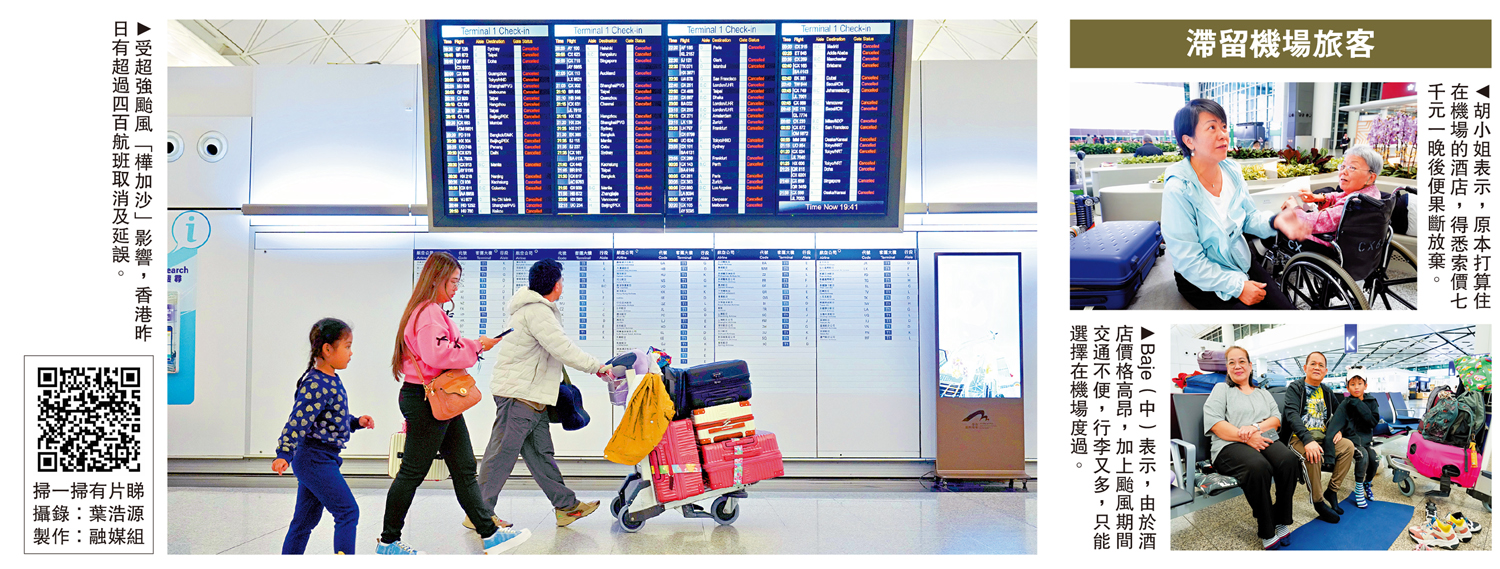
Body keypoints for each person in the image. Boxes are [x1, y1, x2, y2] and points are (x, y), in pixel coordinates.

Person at [379, 252, 530, 555]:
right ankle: (388, 542)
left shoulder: (426, 311)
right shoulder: (428, 313)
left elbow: (442, 348)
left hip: (438, 399)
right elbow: (438, 355)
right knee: (412, 471)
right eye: (453, 282)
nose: (456, 288)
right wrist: (476, 347)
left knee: (464, 468)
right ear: (436, 280)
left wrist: (475, 345)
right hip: (429, 400)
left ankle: (489, 533)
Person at [477, 259, 613, 529]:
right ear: (555, 284)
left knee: (541, 454)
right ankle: (478, 513)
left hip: (533, 398)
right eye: (561, 280)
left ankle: (566, 507)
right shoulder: (537, 311)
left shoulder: (534, 310)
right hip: (518, 396)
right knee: (501, 454)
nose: (562, 285)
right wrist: (596, 366)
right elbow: (561, 347)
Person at [1161, 98, 1311, 310]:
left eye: (1223, 126)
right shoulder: (1178, 189)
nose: (1223, 134)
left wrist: (1275, 221)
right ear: (1189, 141)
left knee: (1286, 312)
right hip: (1202, 278)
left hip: (1241, 261)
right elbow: (1189, 260)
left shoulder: (1231, 171)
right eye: (1212, 127)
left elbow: (1248, 217)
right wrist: (1238, 287)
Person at [274, 318, 372, 554]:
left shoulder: (330, 379)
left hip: (320, 458)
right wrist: (284, 453)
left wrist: (355, 422)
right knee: (348, 512)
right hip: (314, 459)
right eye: (347, 346)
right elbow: (298, 421)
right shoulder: (316, 383)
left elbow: (330, 417)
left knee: (304, 522)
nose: (351, 353)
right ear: (328, 349)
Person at [1201, 346, 1301, 549]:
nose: (1237, 366)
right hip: (1229, 444)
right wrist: (1245, 438)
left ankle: (1280, 518)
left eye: (1241, 361)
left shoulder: (1263, 393)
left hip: (1263, 438)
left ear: (1250, 365)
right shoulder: (1221, 390)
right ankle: (1267, 527)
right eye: (1231, 362)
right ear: (1227, 368)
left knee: (1289, 461)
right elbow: (1215, 424)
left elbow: (1275, 420)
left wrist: (1255, 428)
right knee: (1258, 467)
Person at [1279, 351, 1354, 523]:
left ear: (1325, 371)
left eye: (1321, 365)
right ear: (1305, 368)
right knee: (1313, 454)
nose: (1317, 367)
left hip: (1323, 438)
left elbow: (1340, 414)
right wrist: (1308, 440)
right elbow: (1292, 415)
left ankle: (1332, 491)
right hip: (1298, 438)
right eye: (1313, 364)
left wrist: (1338, 429)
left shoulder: (1326, 391)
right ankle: (1318, 501)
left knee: (1348, 446)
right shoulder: (1295, 388)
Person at [1282, 144, 1385, 249]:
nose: (1343, 172)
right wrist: (1320, 197)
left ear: (1371, 177)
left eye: (1352, 168)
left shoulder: (1354, 205)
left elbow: (1309, 223)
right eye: (1343, 166)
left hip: (1331, 249)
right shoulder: (1370, 194)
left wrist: (1294, 208)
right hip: (1359, 247)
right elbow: (1343, 196)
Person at [1325, 375, 1380, 509]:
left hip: (1365, 440)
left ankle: (1367, 483)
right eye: (1352, 384)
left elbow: (1373, 422)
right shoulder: (1346, 404)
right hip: (1351, 440)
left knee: (1374, 460)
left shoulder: (1371, 401)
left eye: (1360, 384)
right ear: (1347, 387)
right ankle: (1359, 488)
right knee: (1363, 456)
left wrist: (1358, 403)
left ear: (1365, 386)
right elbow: (1338, 420)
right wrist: (1339, 430)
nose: (1356, 387)